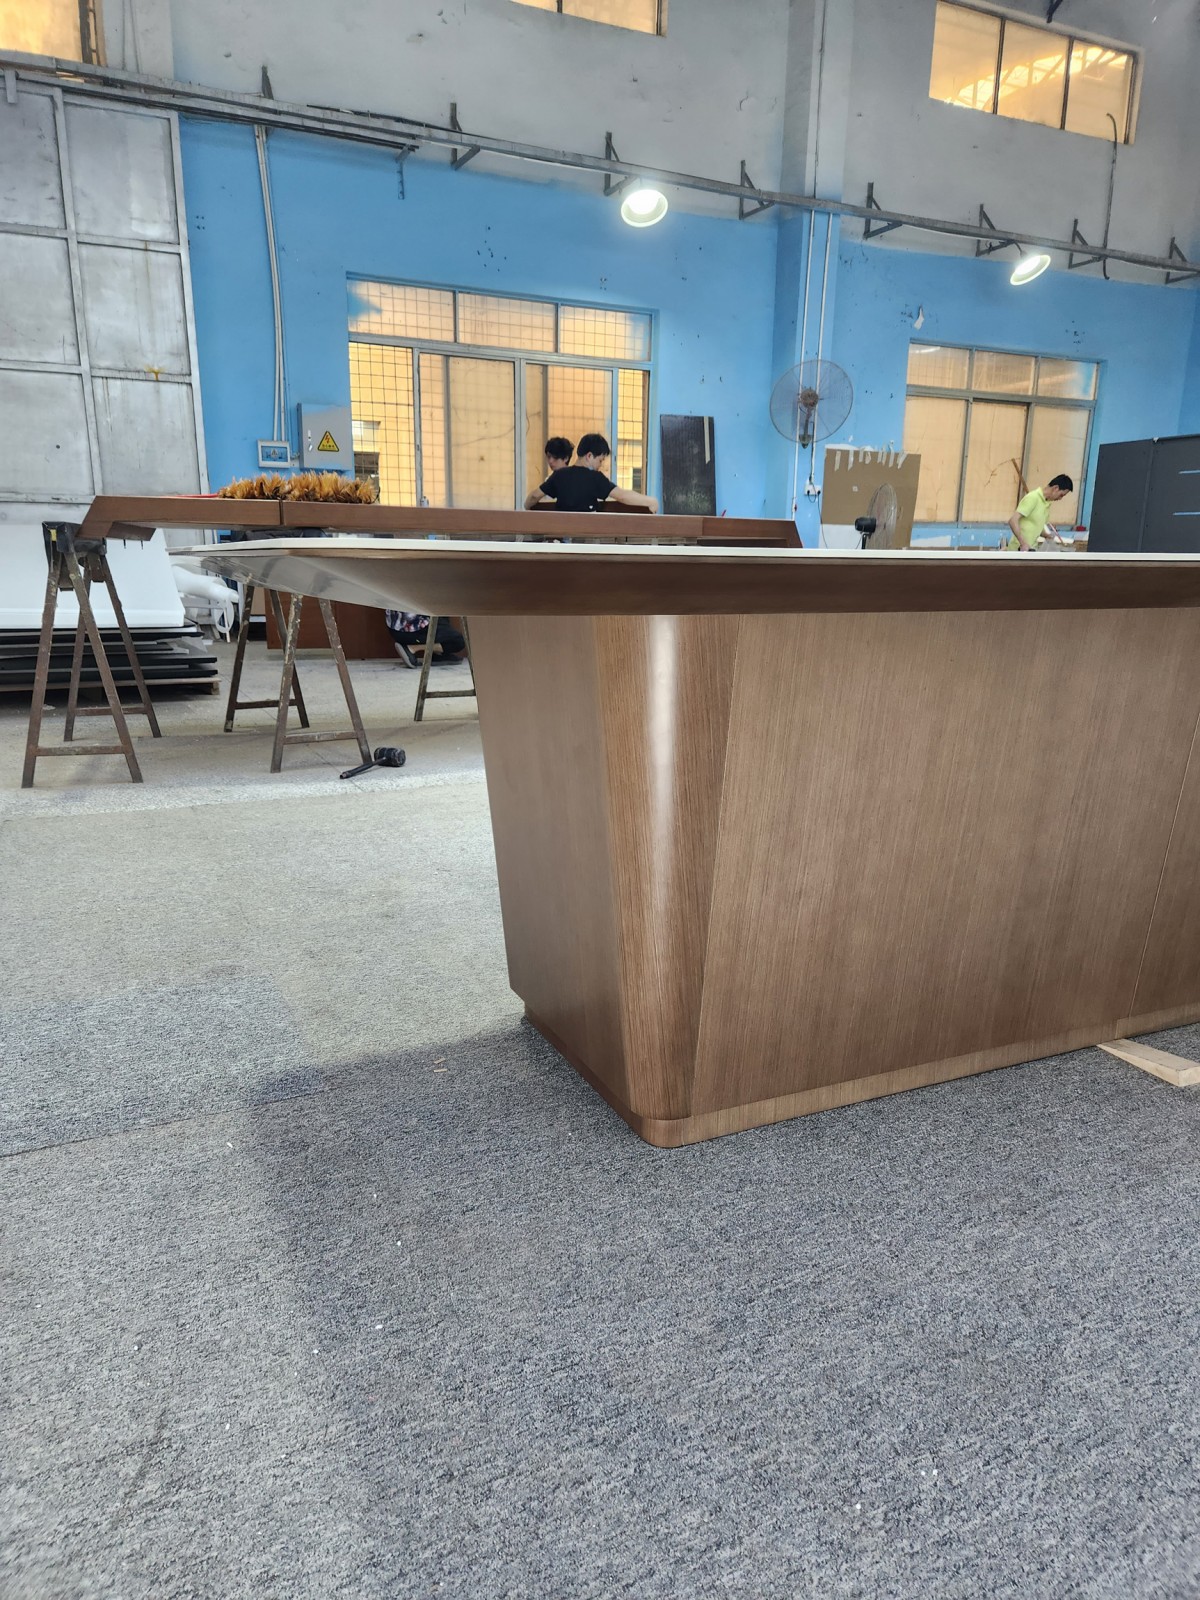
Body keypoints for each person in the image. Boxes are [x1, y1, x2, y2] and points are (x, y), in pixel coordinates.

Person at [526, 432, 659, 514]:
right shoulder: (595, 478)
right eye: (600, 460)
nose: (600, 465)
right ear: (589, 456)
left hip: (561, 538)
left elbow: (534, 496)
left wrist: (526, 507)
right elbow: (622, 496)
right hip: (587, 538)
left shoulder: (559, 475)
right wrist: (650, 501)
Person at [1006, 474, 1074, 551]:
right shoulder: (1033, 497)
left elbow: (1036, 527)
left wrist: (1047, 535)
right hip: (1019, 549)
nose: (1060, 498)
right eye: (1061, 495)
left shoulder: (1046, 504)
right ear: (1056, 488)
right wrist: (1023, 543)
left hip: (1032, 548)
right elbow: (1013, 521)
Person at [384, 609, 466, 668]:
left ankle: (437, 654)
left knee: (441, 611)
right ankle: (411, 648)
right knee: (459, 641)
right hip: (411, 631)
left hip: (394, 628)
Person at [523, 437, 574, 510]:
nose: (550, 461)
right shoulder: (550, 478)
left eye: (555, 457)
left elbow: (534, 496)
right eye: (549, 457)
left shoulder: (560, 477)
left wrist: (526, 507)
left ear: (566, 458)